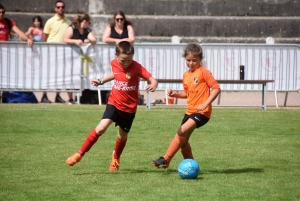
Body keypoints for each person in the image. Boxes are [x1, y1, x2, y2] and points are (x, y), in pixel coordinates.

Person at [66, 41, 158, 171]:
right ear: (116, 55)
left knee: (122, 136)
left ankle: (116, 157)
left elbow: (153, 79)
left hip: (129, 109)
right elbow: (115, 74)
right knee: (101, 128)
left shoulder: (136, 67)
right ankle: (79, 154)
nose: (126, 63)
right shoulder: (114, 63)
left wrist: (153, 84)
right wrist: (101, 81)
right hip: (114, 103)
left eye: (129, 60)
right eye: (123, 60)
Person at [152, 43, 220, 169]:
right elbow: (187, 94)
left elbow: (216, 88)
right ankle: (192, 167)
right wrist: (175, 94)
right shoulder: (186, 75)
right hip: (189, 112)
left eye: (195, 60)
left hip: (202, 113)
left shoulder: (204, 72)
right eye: (188, 60)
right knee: (183, 143)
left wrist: (206, 103)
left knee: (181, 132)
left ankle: (166, 159)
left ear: (200, 59)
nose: (191, 63)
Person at [41, 0, 72, 104]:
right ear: (55, 8)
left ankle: (58, 95)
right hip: (51, 52)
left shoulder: (68, 22)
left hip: (63, 52)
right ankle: (44, 96)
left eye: (62, 7)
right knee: (47, 74)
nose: (60, 9)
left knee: (60, 74)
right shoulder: (50, 21)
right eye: (58, 7)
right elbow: (44, 37)